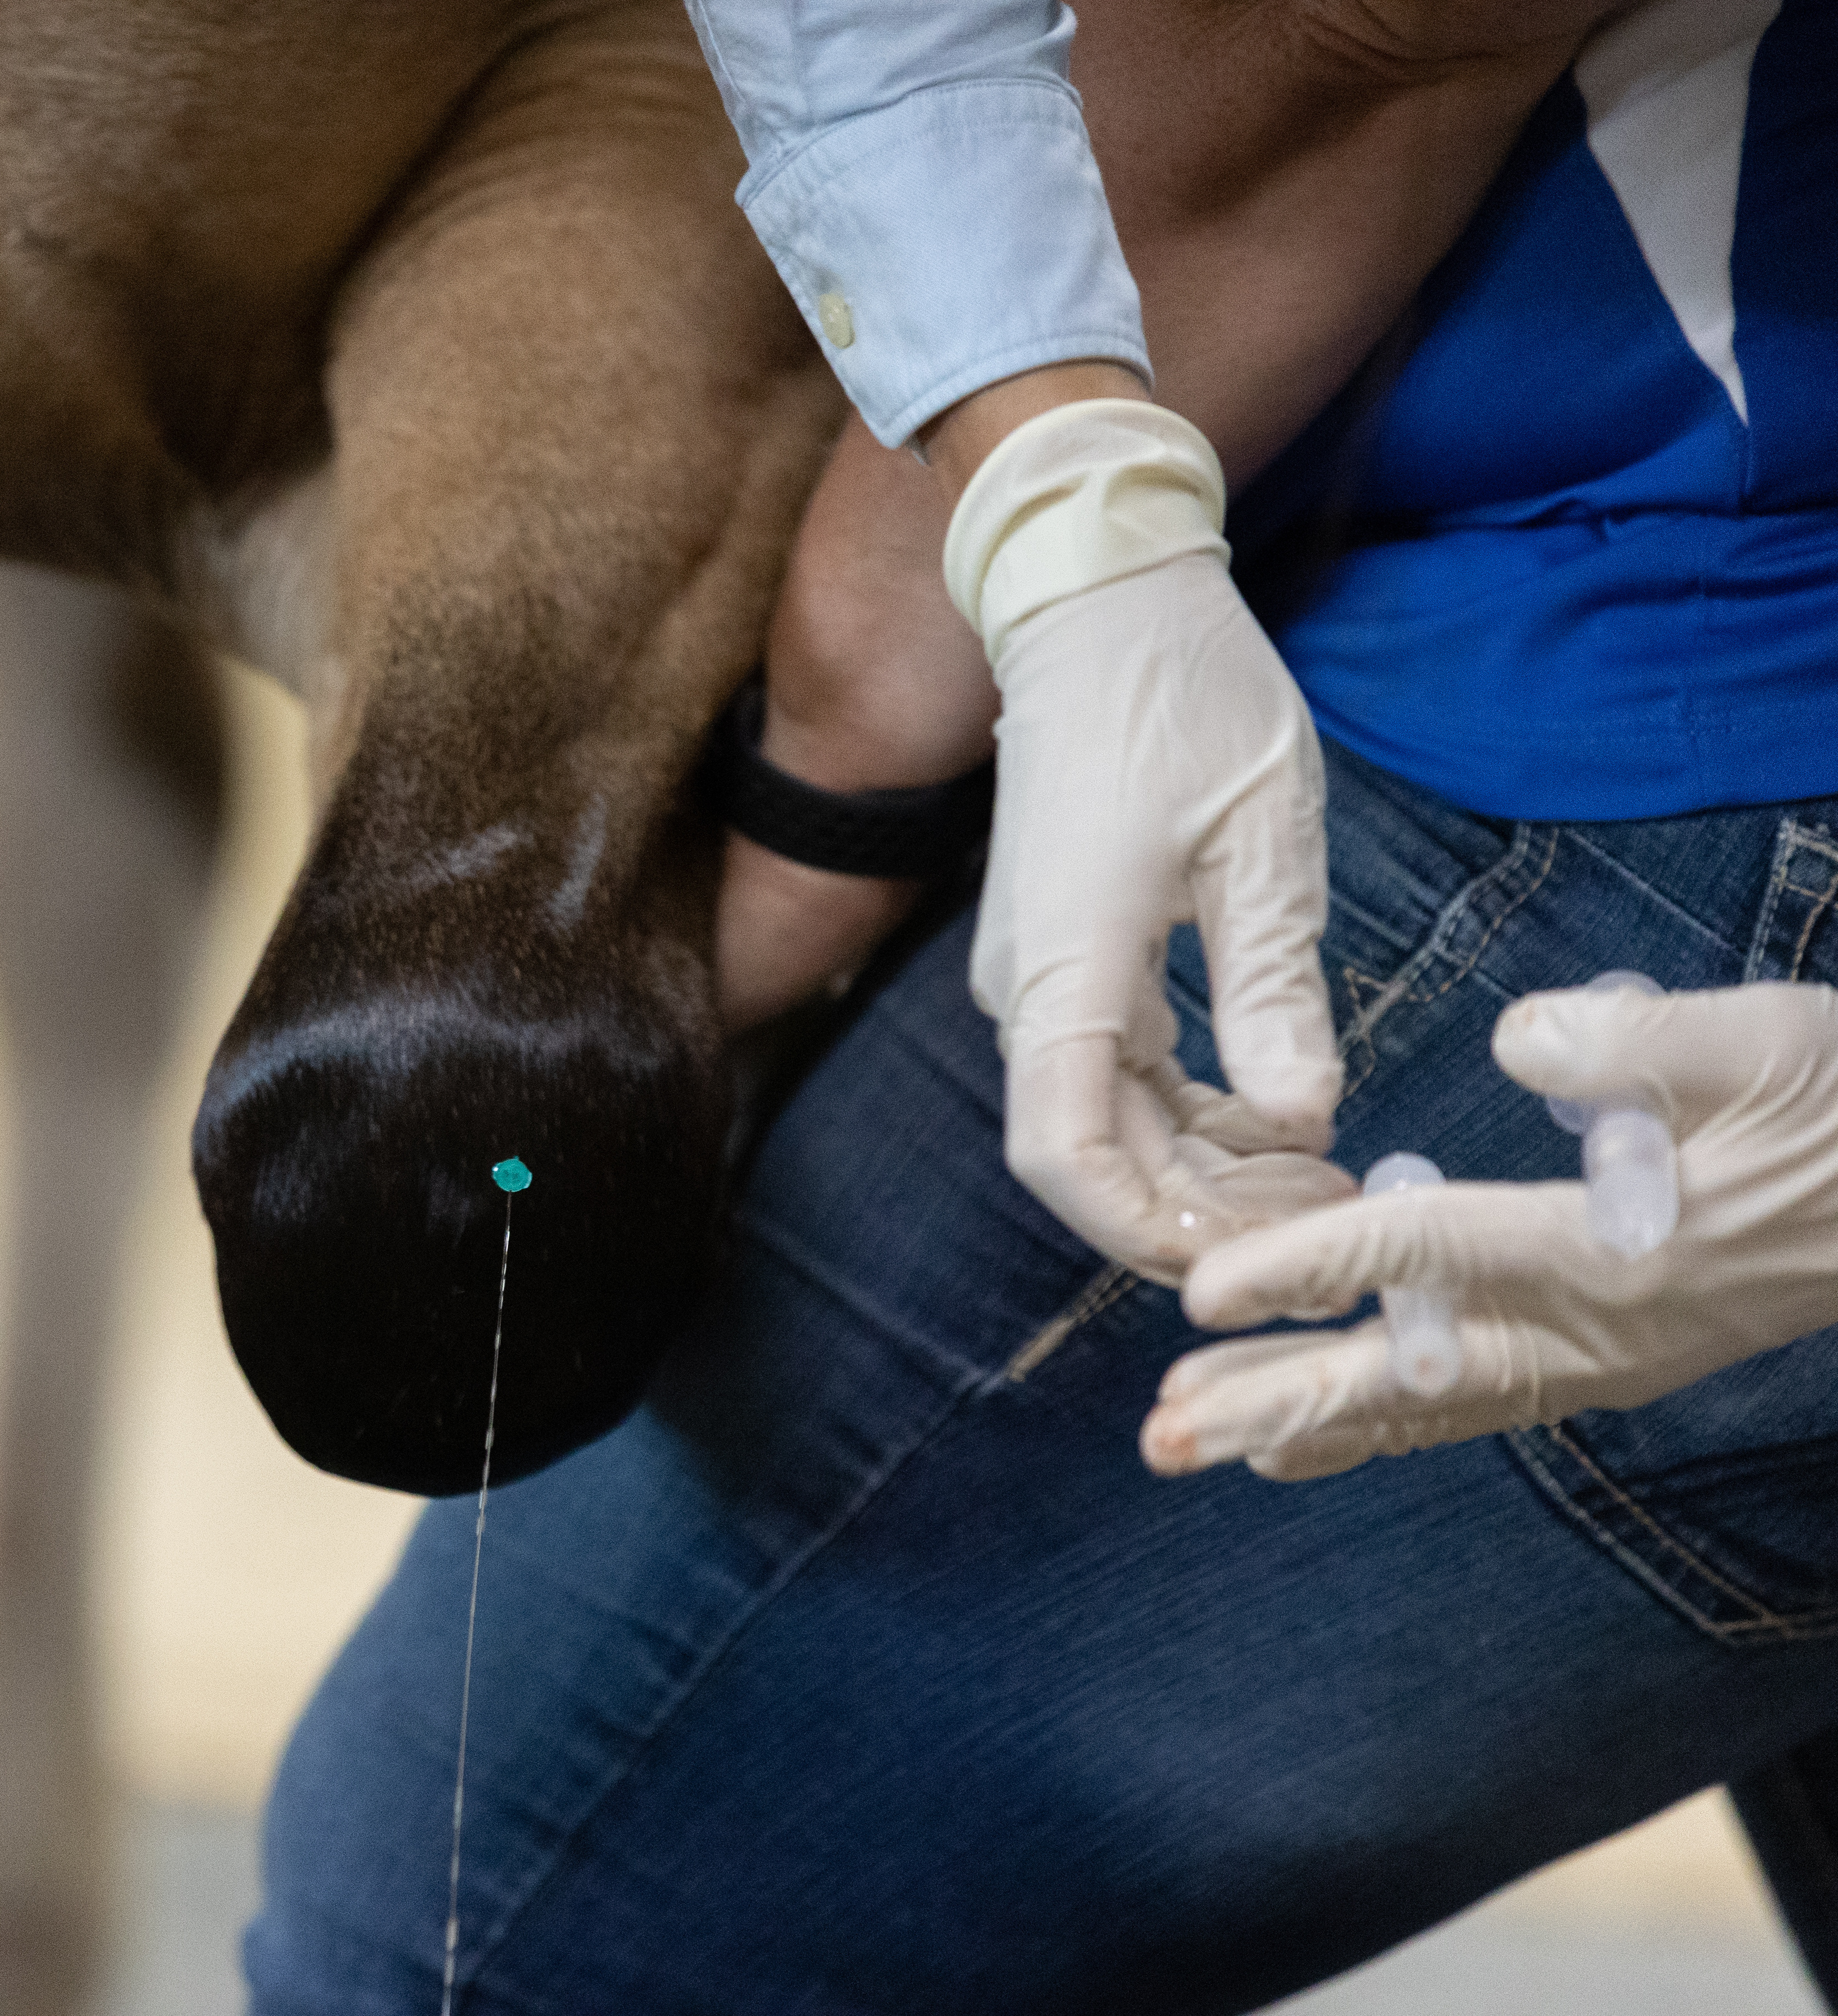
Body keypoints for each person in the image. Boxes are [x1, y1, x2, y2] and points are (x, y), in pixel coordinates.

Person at [243, 2, 1838, 2008]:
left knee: (480, 1923)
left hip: (1656, 760)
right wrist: (1061, 480)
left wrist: (831, 783)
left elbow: (1351, 40)